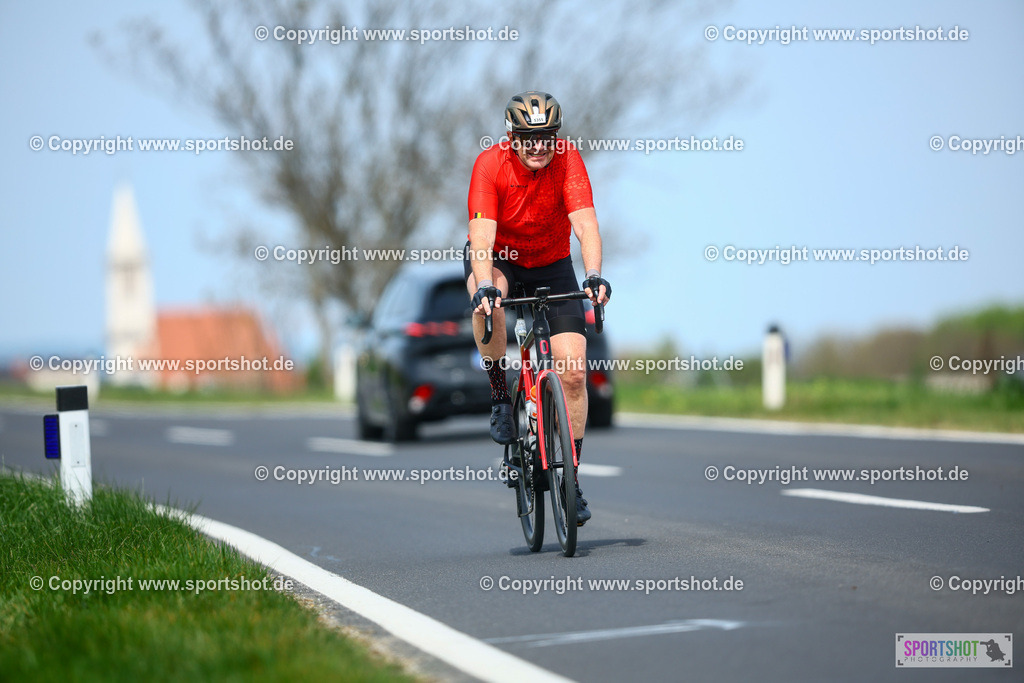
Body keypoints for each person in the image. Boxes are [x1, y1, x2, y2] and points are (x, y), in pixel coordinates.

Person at [465, 91, 611, 525]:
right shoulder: (490, 165)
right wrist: (487, 287)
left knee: (573, 371)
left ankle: (572, 481)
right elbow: (482, 240)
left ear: (556, 136)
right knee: (485, 304)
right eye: (528, 138)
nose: (537, 147)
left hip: (552, 263)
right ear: (511, 136)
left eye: (545, 137)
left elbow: (585, 224)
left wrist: (595, 276)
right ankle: (497, 394)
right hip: (502, 259)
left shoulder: (567, 160)